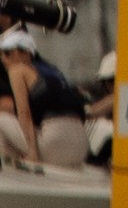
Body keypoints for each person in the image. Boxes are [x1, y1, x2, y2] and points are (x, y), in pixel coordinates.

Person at [0, 25, 91, 168]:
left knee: (1, 119)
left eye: (6, 53)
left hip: (55, 144)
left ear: (22, 52)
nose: (3, 59)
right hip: (81, 148)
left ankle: (10, 171)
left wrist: (33, 153)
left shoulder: (17, 70)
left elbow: (24, 113)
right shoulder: (52, 74)